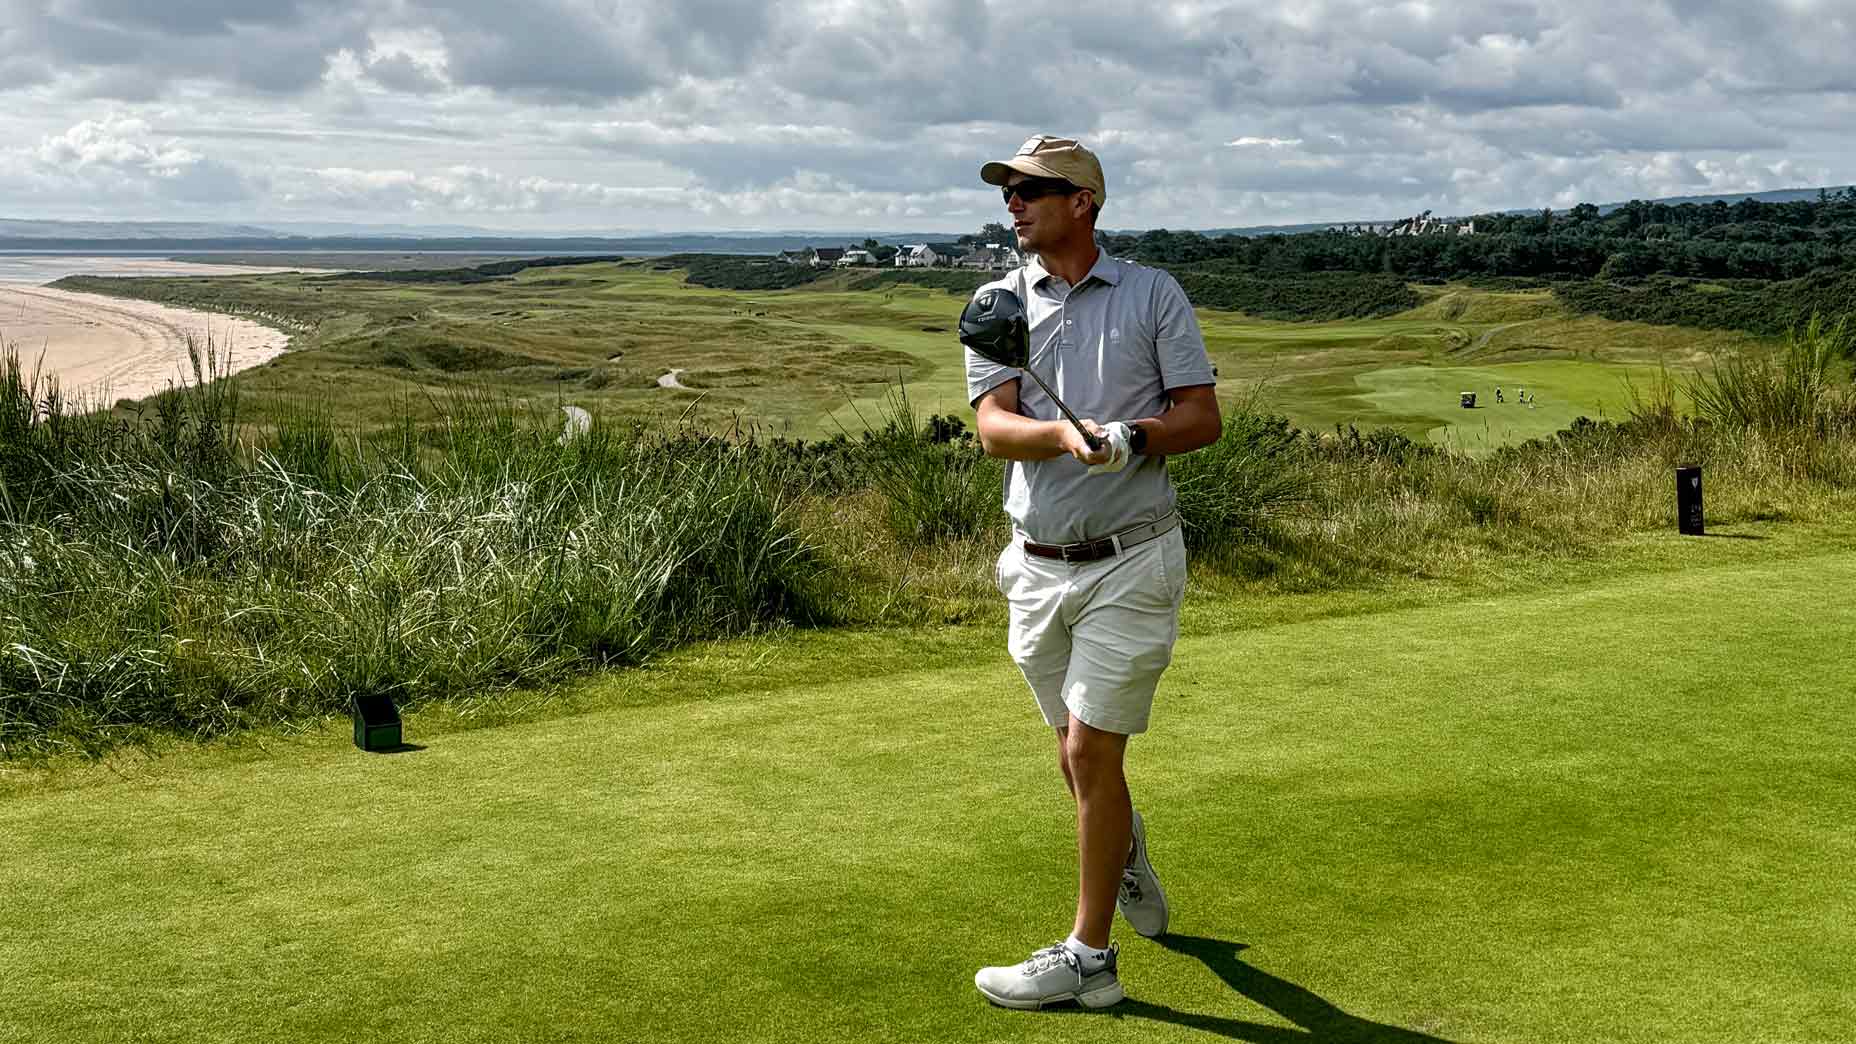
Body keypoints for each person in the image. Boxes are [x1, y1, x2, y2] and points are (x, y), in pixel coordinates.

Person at [963, 134, 1222, 1010]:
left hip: (1133, 558)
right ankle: (1124, 852)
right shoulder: (997, 303)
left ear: (1084, 201)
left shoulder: (1152, 295)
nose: (1014, 203)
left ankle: (1090, 959)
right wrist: (1067, 436)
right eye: (1010, 190)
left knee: (1089, 747)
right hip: (1035, 566)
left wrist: (1133, 437)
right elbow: (995, 425)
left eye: (1033, 189)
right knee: (1077, 762)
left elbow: (1200, 417)